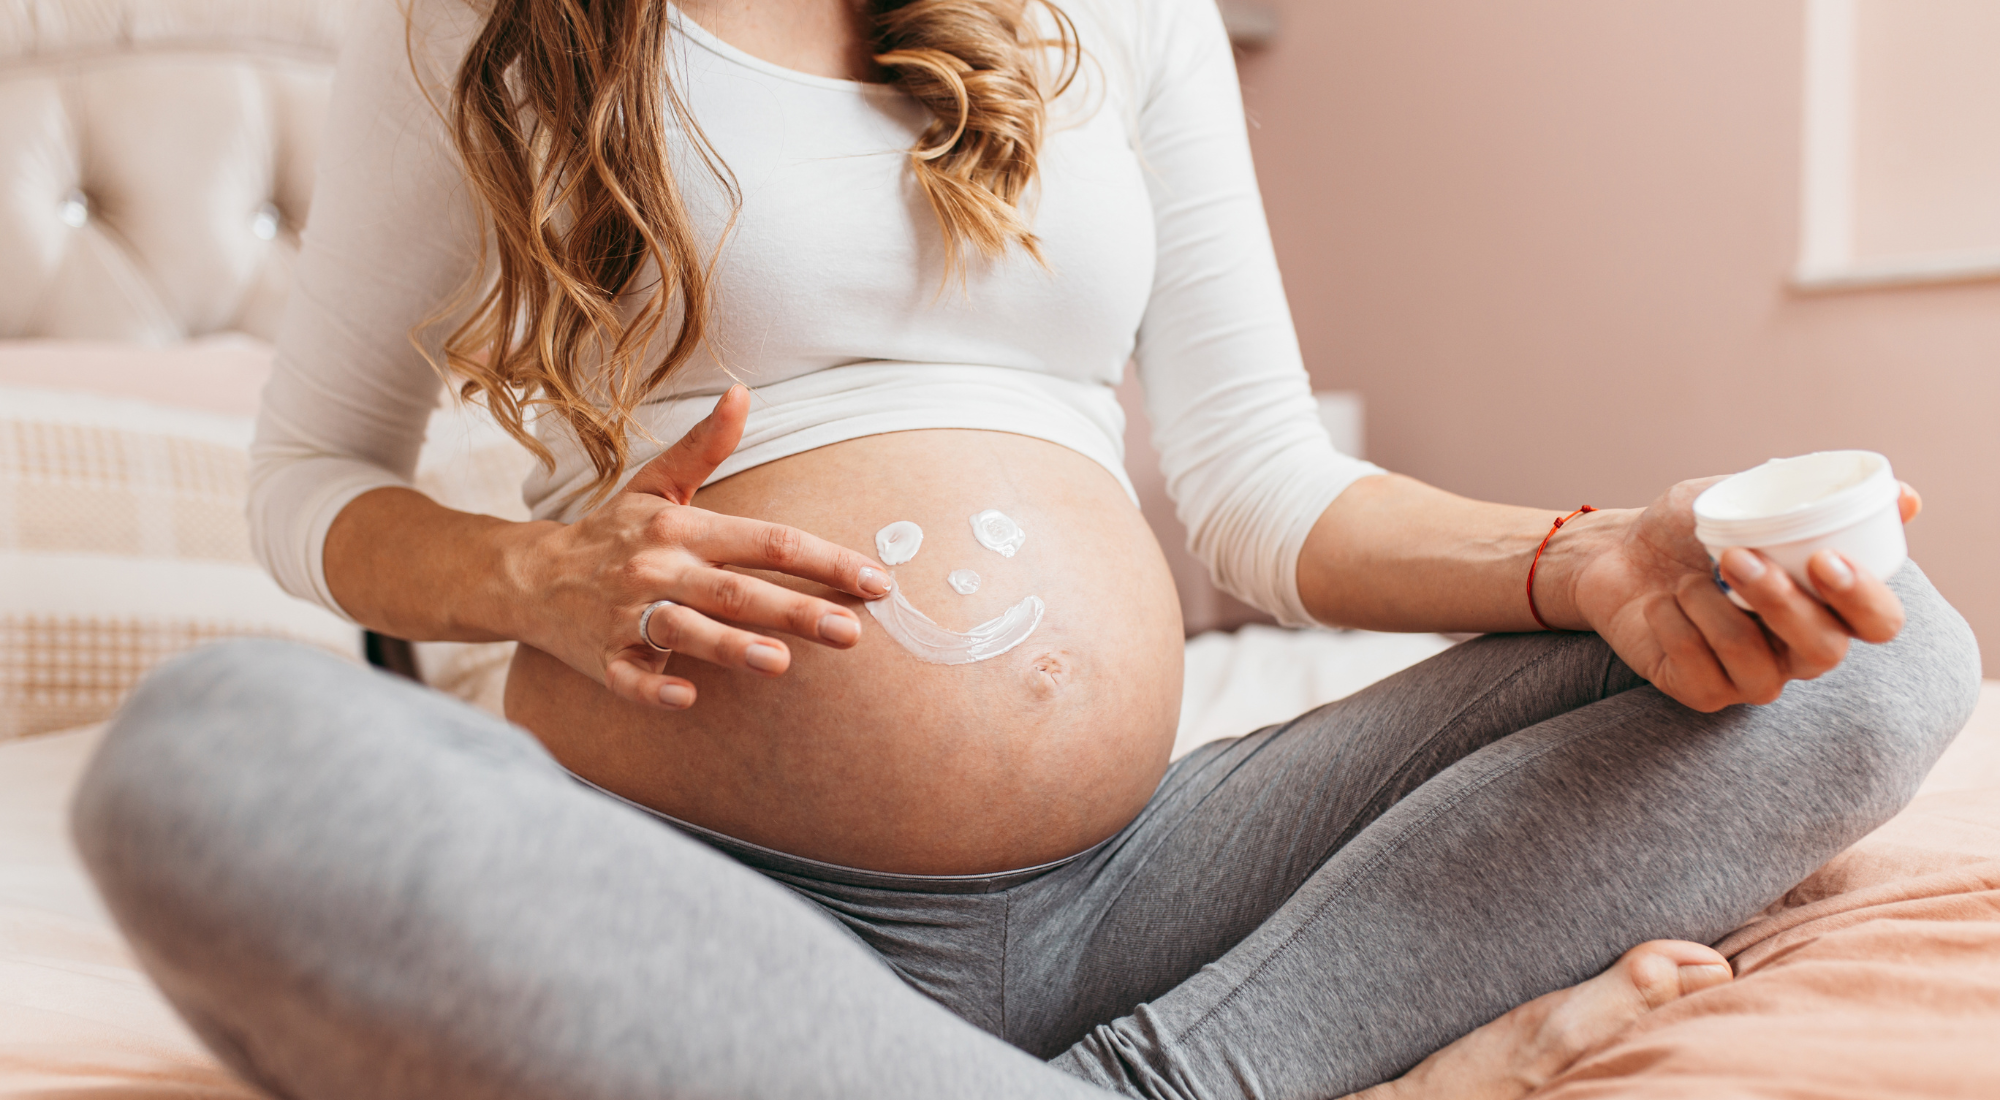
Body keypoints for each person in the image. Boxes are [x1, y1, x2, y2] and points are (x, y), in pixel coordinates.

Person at [70, 0, 1981, 1095]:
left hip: (1136, 883)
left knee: (1871, 651)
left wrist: (1598, 557)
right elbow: (308, 481)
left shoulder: (1114, 12)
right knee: (207, 757)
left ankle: (1154, 1072)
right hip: (695, 897)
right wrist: (534, 580)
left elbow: (1262, 489)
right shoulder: (498, 29)